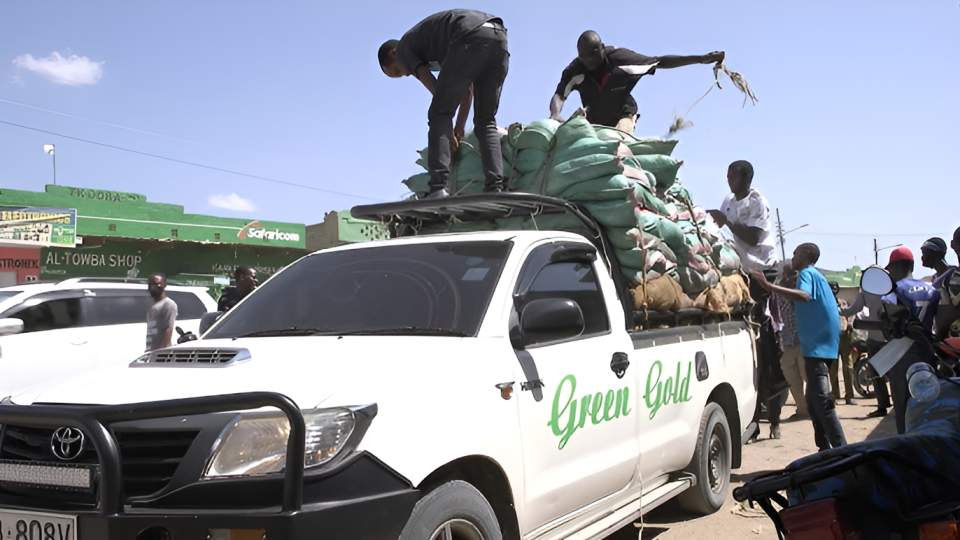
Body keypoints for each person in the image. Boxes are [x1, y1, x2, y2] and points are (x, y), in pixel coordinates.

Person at [379, 10, 509, 198]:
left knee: (438, 114)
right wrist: (459, 128)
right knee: (485, 120)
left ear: (394, 53)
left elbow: (435, 89)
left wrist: (446, 128)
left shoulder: (405, 47)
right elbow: (466, 91)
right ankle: (495, 187)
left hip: (469, 35)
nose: (406, 74)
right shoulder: (437, 48)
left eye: (398, 71)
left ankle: (438, 186)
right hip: (498, 37)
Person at [710, 160, 785, 441]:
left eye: (733, 176)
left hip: (761, 273)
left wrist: (726, 221)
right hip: (739, 272)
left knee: (763, 340)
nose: (729, 181)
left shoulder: (758, 202)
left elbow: (753, 239)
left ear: (746, 178)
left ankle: (773, 413)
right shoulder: (728, 201)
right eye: (727, 175)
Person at [753, 243, 847, 451]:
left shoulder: (806, 273)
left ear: (805, 255)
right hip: (824, 343)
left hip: (817, 346)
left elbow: (804, 296)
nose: (793, 257)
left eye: (795, 254)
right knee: (814, 403)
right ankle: (824, 449)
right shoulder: (816, 276)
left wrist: (770, 287)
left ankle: (842, 450)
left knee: (821, 400)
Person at [549, 30, 724, 132]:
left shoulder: (621, 59)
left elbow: (660, 61)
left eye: (593, 58)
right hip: (594, 121)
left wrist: (700, 59)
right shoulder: (575, 69)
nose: (590, 63)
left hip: (623, 114)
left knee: (616, 142)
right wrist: (556, 114)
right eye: (585, 59)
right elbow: (559, 95)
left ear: (602, 49)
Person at [881, 246, 940, 434]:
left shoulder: (894, 291)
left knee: (903, 406)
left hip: (902, 356)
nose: (889, 272)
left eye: (890, 267)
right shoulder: (933, 290)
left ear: (897, 266)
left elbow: (888, 323)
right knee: (928, 402)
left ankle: (906, 446)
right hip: (927, 353)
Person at [770, 262, 809, 421]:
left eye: (792, 274)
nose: (789, 277)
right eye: (786, 274)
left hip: (804, 342)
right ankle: (802, 411)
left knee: (809, 377)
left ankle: (817, 409)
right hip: (786, 342)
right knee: (793, 380)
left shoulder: (804, 289)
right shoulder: (778, 292)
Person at [921, 236, 959, 337]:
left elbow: (956, 310)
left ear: (935, 254)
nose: (922, 257)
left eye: (925, 253)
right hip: (940, 339)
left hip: (953, 339)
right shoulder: (933, 280)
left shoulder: (953, 276)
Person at [829, 281, 856, 405]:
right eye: (832, 288)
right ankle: (835, 395)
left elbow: (850, 314)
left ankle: (849, 396)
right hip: (831, 338)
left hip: (845, 337)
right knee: (833, 369)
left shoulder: (843, 302)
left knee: (848, 367)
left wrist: (850, 322)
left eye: (835, 287)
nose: (834, 289)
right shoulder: (826, 302)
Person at [145, 273, 178, 352]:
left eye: (157, 284)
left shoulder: (168, 304)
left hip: (160, 353)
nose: (153, 288)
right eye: (151, 285)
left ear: (164, 285)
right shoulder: (152, 305)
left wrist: (162, 353)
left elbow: (168, 329)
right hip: (150, 350)